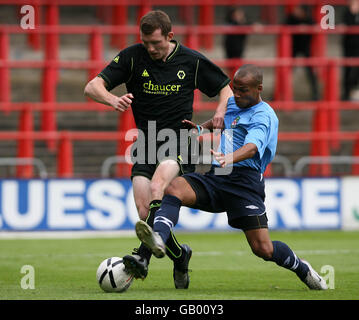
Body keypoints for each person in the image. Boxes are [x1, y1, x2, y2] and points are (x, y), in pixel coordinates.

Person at [135, 64, 328, 290]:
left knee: (263, 249)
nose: (236, 94)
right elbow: (221, 122)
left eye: (243, 90)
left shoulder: (264, 116)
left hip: (244, 183)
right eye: (234, 88)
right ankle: (159, 236)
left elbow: (252, 147)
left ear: (259, 88)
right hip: (218, 176)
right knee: (173, 188)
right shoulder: (234, 103)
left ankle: (302, 268)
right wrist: (199, 128)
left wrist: (230, 158)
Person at [84, 10, 232, 288]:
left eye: (156, 43)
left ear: (170, 36)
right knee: (144, 214)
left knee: (158, 185)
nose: (150, 48)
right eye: (146, 42)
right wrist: (111, 100)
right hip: (146, 141)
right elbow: (92, 86)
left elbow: (225, 87)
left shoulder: (192, 61)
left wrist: (221, 112)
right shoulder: (132, 57)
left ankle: (141, 257)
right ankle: (180, 256)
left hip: (180, 139)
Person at [286, 5, 320, 101]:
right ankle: (282, 93)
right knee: (286, 70)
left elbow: (316, 27)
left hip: (306, 48)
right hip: (294, 48)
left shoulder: (309, 20)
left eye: (298, 10)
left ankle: (315, 93)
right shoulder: (292, 18)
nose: (296, 12)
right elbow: (284, 26)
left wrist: (307, 28)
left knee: (311, 71)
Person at [342, 0, 359, 100]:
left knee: (356, 70)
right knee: (347, 70)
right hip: (348, 46)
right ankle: (346, 93)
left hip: (358, 46)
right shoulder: (347, 13)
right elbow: (345, 25)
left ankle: (354, 90)